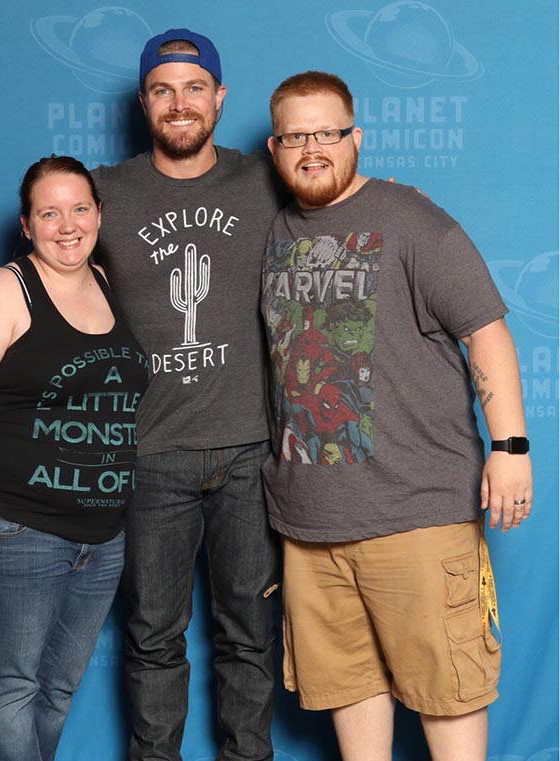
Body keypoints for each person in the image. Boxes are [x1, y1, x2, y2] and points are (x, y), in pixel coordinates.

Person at [0, 30, 284, 761]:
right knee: (154, 636)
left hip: (248, 450)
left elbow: (339, 198)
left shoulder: (265, 181)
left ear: (220, 98)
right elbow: (49, 252)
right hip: (150, 455)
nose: (180, 103)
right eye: (163, 90)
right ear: (143, 103)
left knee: (250, 635)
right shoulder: (110, 192)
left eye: (195, 88)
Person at [261, 71, 533, 761]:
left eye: (328, 132)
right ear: (274, 147)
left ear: (357, 137)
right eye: (297, 135)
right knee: (351, 701)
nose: (313, 148)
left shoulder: (414, 222)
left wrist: (510, 445)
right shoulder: (273, 233)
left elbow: (487, 331)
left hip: (417, 514)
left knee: (451, 695)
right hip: (309, 523)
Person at [0, 156, 148, 761]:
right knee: (11, 686)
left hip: (102, 537)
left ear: (99, 214)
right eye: (48, 213)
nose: (67, 225)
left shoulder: (107, 281)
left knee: (57, 690)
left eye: (79, 209)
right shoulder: (0, 292)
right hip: (13, 528)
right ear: (27, 225)